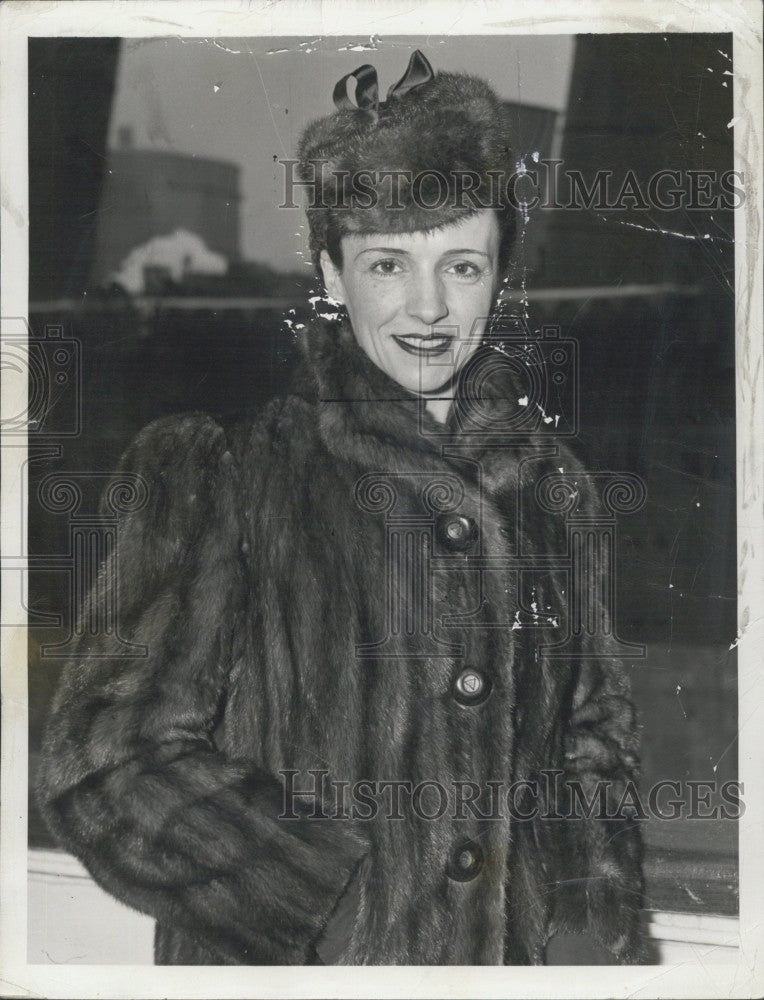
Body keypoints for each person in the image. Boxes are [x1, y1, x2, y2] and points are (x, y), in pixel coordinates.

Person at [37, 50, 646, 966]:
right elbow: (105, 761)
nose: (430, 307)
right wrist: (325, 901)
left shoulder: (555, 493)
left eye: (465, 265)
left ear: (500, 275)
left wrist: (600, 939)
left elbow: (594, 741)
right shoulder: (220, 473)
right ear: (330, 274)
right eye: (389, 263)